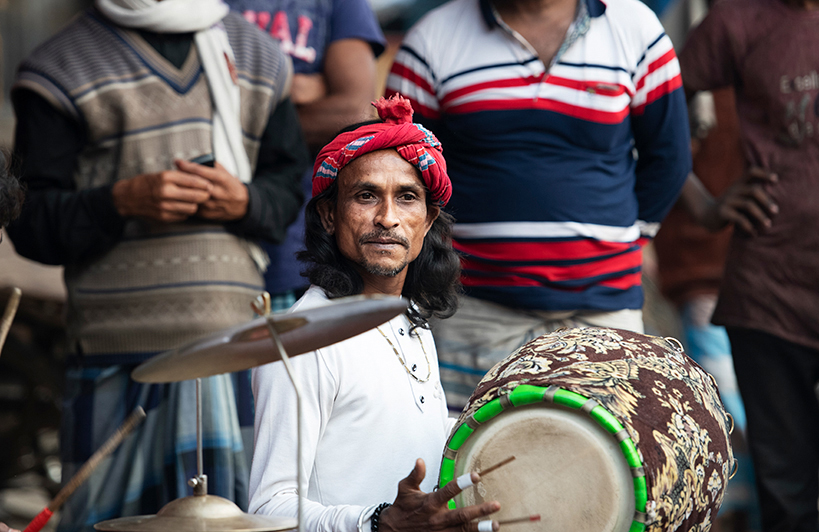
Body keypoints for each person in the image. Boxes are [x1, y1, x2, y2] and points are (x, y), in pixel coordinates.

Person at [7, 0, 309, 529]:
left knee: (225, 521)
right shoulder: (59, 68)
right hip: (113, 353)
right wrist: (122, 201)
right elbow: (27, 222)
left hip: (228, 350)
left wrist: (245, 203)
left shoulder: (256, 54)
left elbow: (287, 191)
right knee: (106, 522)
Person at [385, 0, 691, 409]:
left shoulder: (635, 28)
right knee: (473, 460)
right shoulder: (431, 39)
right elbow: (401, 173)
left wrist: (619, 240)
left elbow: (669, 157)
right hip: (475, 314)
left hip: (604, 315)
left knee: (609, 463)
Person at [249, 95, 500, 532]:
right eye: (366, 196)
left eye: (407, 198)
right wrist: (378, 522)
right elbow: (268, 507)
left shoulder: (411, 318)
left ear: (427, 220)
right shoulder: (303, 341)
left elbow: (393, 429)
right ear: (329, 214)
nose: (388, 218)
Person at [678, 1, 819, 531]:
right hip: (770, 293)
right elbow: (654, 109)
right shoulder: (737, 22)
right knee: (789, 497)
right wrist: (702, 202)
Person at [227, 0, 385, 311]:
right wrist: (288, 91)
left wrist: (247, 100)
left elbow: (358, 112)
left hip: (300, 254)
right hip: (209, 257)